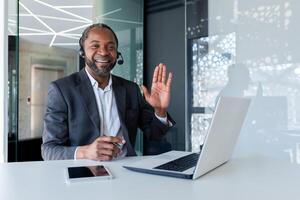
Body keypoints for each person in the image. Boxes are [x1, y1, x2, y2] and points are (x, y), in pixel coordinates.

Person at [41, 23, 175, 161]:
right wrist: (85, 152)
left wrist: (160, 111)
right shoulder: (62, 90)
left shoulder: (131, 89)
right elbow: (49, 150)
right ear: (82, 52)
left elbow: (154, 134)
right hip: (82, 174)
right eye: (95, 46)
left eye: (111, 47)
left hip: (126, 171)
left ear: (117, 54)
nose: (104, 52)